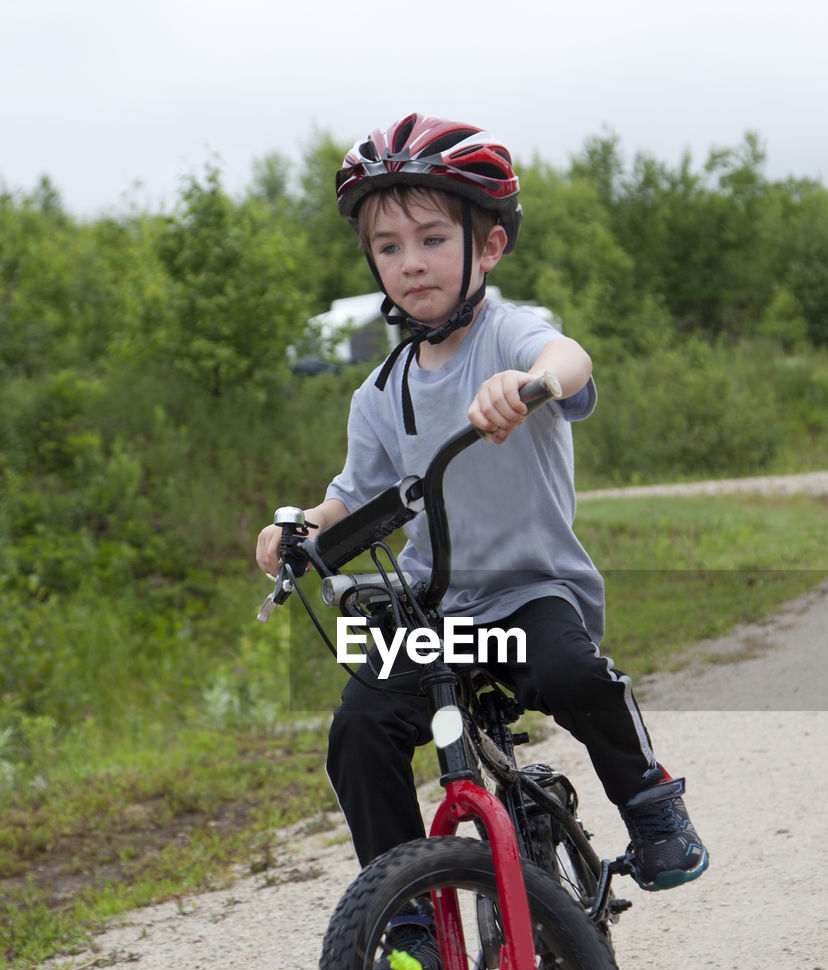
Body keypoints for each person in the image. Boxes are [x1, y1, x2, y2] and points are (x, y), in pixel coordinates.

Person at [256, 112, 709, 905]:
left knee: (573, 673)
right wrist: (297, 533)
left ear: (488, 246)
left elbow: (568, 357)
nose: (410, 263)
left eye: (432, 239)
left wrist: (530, 384)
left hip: (529, 591)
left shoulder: (509, 337)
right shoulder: (379, 391)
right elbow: (349, 497)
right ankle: (405, 921)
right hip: (427, 610)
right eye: (388, 247)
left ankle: (650, 801)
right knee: (358, 734)